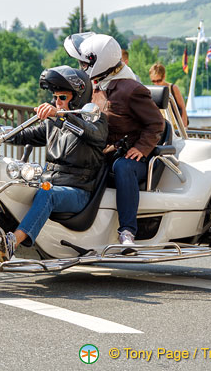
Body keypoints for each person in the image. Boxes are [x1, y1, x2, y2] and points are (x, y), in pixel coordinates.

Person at [0, 66, 108, 262]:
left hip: (78, 190)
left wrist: (61, 115)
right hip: (48, 182)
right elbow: (22, 135)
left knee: (47, 193)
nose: (57, 102)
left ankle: (12, 242)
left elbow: (93, 134)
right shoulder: (52, 124)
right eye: (55, 97)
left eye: (62, 98)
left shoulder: (97, 121)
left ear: (78, 97)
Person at [64, 32, 165, 247]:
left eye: (84, 62)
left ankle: (127, 231)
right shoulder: (95, 85)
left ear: (98, 62)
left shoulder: (131, 89)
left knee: (123, 167)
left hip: (133, 157)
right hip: (105, 149)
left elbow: (157, 123)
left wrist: (142, 147)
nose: (82, 66)